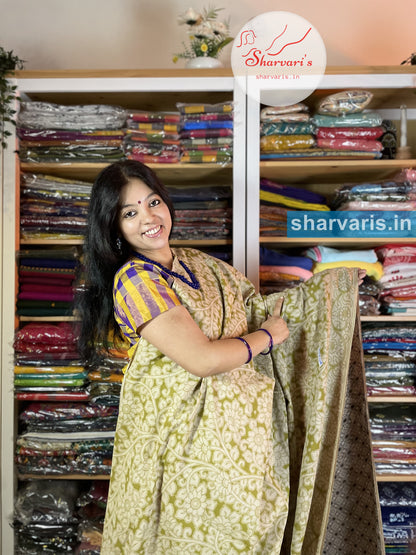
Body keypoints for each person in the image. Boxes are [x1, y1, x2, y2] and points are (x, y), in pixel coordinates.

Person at [78, 160, 379, 554]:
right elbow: (201, 359)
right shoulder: (135, 281)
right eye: (130, 213)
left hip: (242, 438)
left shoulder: (201, 265)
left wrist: (333, 287)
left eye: (153, 202)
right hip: (180, 447)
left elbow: (261, 310)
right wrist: (265, 339)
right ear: (113, 227)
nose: (148, 218)